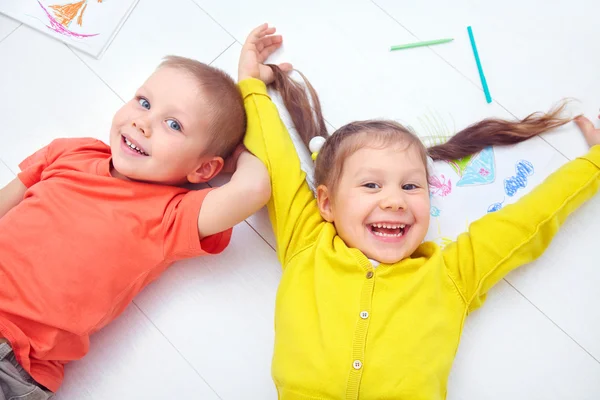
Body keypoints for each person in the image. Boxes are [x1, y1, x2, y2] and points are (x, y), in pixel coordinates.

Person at [238, 23, 600, 399]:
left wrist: (595, 163)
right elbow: (276, 161)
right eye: (371, 185)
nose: (395, 201)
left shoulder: (450, 274)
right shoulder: (307, 241)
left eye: (411, 186)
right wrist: (250, 83)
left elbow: (529, 219)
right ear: (327, 202)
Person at [0, 35, 293, 396]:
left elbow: (254, 188)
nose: (143, 123)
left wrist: (249, 88)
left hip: (16, 358)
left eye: (174, 125)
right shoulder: (70, 152)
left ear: (205, 170)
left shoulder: (171, 215)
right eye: (143, 102)